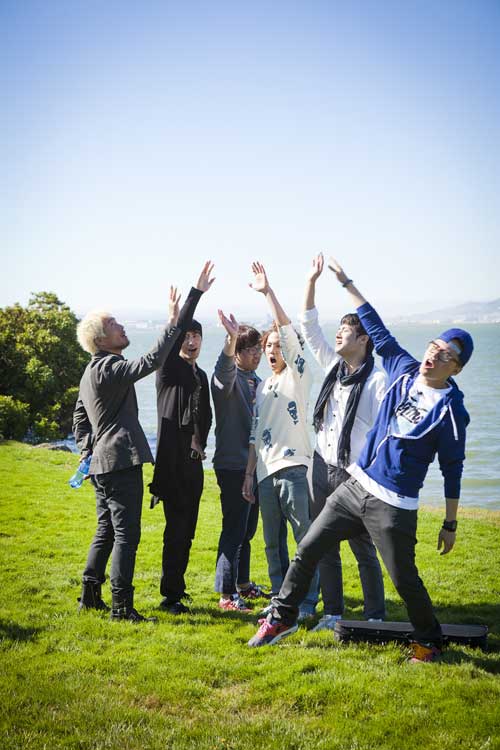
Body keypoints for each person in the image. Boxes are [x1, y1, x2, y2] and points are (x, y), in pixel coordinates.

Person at [248, 256, 473, 662]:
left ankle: (429, 642)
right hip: (355, 486)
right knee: (309, 547)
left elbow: (452, 469)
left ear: (455, 368)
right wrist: (345, 282)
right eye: (433, 347)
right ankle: (282, 618)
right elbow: (377, 327)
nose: (434, 356)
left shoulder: (450, 411)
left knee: (404, 579)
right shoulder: (403, 369)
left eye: (445, 356)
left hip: (393, 504)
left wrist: (450, 522)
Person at [73, 282, 189, 622]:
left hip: (102, 464)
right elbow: (152, 361)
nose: (121, 326)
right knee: (126, 535)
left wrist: (87, 450)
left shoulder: (90, 372)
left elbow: (79, 416)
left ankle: (90, 596)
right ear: (100, 340)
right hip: (120, 462)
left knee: (106, 531)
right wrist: (172, 322)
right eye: (113, 324)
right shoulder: (109, 367)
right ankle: (121, 608)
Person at [300, 253, 386, 630]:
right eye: (338, 329)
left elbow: (386, 434)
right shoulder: (333, 366)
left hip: (356, 476)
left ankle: (375, 617)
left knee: (364, 549)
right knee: (324, 544)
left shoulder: (377, 381)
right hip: (321, 467)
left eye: (346, 331)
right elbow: (309, 326)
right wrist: (311, 281)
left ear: (363, 339)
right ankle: (333, 613)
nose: (338, 335)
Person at [242, 262, 319, 620]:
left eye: (277, 345)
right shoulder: (263, 387)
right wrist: (249, 475)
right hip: (265, 474)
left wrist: (268, 293)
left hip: (294, 469)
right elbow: (255, 435)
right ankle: (280, 602)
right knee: (272, 544)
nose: (272, 350)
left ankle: (307, 602)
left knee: (304, 540)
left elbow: (287, 332)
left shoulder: (297, 376)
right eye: (268, 345)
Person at [149, 262, 215, 614]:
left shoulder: (199, 375)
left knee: (187, 531)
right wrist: (196, 293)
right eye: (186, 336)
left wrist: (200, 443)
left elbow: (206, 416)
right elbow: (174, 336)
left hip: (193, 466)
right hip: (173, 466)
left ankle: (177, 589)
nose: (191, 341)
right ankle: (170, 596)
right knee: (175, 531)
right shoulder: (169, 369)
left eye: (196, 336)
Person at [211, 312, 268, 611]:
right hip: (233, 465)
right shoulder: (229, 381)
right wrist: (231, 340)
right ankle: (226, 594)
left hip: (254, 466)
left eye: (259, 349)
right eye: (250, 350)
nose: (257, 354)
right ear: (237, 353)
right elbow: (223, 372)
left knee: (247, 531)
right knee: (233, 529)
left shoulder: (258, 381)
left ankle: (243, 584)